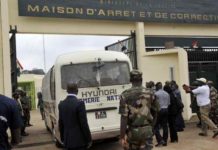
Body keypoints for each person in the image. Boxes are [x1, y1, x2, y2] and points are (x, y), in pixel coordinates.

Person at [119, 70, 159, 150]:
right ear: (141, 79)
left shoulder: (124, 95)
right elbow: (156, 111)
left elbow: (124, 117)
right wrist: (152, 127)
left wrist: (122, 137)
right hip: (147, 131)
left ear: (130, 80)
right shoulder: (150, 93)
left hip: (133, 132)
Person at [58, 82, 92, 150]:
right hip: (79, 142)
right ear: (77, 91)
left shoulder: (61, 104)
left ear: (67, 91)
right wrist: (89, 139)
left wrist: (63, 138)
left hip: (67, 141)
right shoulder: (79, 104)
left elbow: (61, 124)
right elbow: (84, 124)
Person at [154, 82, 170, 147]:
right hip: (166, 109)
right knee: (165, 126)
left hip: (159, 110)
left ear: (157, 87)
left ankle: (160, 140)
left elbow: (154, 103)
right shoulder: (167, 93)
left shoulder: (156, 94)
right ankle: (165, 141)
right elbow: (169, 103)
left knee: (155, 126)